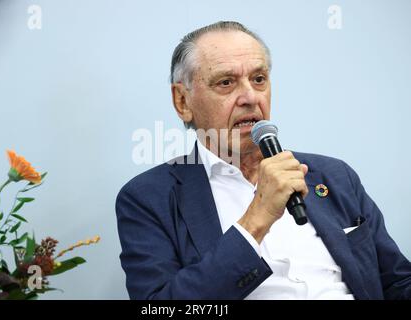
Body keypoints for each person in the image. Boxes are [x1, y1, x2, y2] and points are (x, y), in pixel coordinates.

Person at [115, 21, 411, 300]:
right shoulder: (148, 199)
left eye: (258, 79)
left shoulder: (334, 175)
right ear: (183, 101)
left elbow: (398, 281)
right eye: (226, 82)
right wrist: (257, 218)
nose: (249, 97)